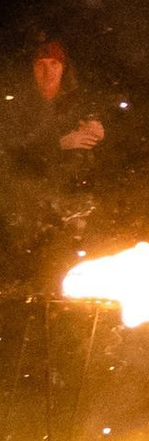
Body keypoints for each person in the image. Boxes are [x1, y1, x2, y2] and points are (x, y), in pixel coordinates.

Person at [1, 39, 106, 291]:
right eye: (40, 65)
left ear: (64, 68)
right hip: (25, 204)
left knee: (65, 274)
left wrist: (100, 133)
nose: (47, 72)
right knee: (26, 276)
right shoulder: (15, 105)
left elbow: (96, 143)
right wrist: (58, 144)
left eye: (54, 64)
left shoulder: (75, 103)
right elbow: (11, 149)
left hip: (71, 202)